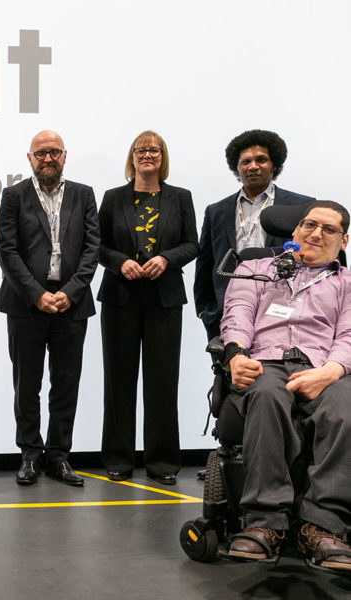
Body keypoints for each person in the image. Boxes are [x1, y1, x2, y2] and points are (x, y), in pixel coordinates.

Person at [221, 201, 351, 574]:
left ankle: (324, 527)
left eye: (328, 230)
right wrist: (236, 355)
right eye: (309, 225)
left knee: (344, 409)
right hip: (266, 361)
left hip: (323, 365)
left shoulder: (346, 283)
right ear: (294, 231)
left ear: (343, 241)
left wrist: (329, 372)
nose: (315, 234)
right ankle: (265, 523)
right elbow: (238, 313)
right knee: (266, 396)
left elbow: (348, 335)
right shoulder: (255, 268)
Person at [0, 130, 100, 487]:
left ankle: (58, 456)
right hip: (27, 303)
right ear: (30, 159)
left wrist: (69, 292)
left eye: (54, 152)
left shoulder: (84, 195)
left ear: (65, 155)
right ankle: (29, 454)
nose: (48, 158)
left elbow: (91, 250)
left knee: (66, 383)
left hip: (71, 303)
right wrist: (36, 294)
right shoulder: (13, 195)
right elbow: (6, 251)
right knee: (27, 384)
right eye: (41, 153)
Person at [96, 131, 198, 484]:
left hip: (164, 298)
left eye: (154, 150)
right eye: (141, 150)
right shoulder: (112, 198)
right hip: (121, 297)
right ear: (132, 157)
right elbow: (97, 246)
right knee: (118, 381)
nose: (147, 155)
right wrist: (119, 262)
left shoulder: (180, 197)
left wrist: (167, 259)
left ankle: (162, 463)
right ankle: (119, 459)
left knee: (162, 382)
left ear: (162, 156)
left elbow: (191, 244)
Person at [194, 130, 314, 341]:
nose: (253, 166)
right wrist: (205, 310)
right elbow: (205, 261)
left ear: (274, 165)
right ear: (237, 167)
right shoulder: (216, 210)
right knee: (230, 371)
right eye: (245, 162)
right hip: (228, 307)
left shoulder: (301, 206)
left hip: (283, 305)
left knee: (275, 372)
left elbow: (314, 256)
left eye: (261, 160)